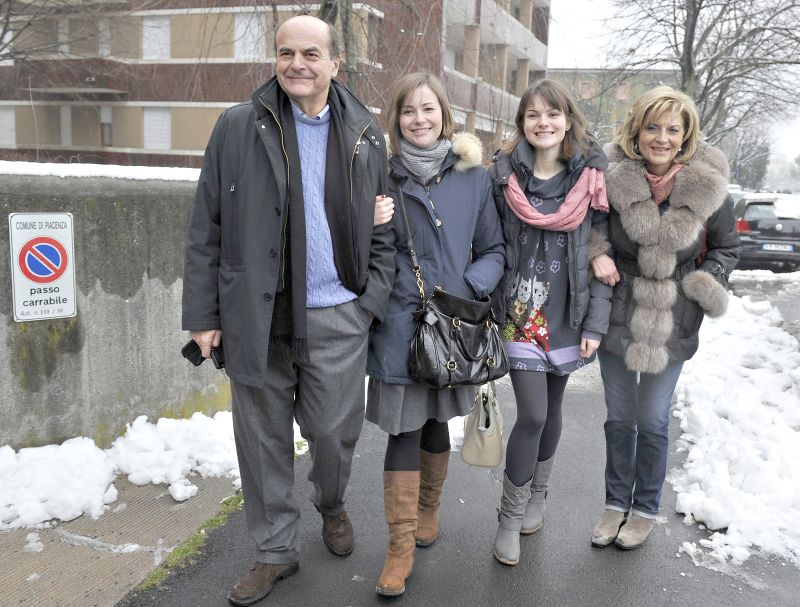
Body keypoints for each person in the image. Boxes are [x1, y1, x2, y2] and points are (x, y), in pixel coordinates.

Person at [181, 15, 395, 607]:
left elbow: (385, 227)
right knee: (261, 439)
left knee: (332, 434)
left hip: (338, 315)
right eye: (285, 53)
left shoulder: (364, 133)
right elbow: (206, 227)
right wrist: (203, 315)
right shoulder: (236, 127)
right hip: (256, 313)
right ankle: (275, 549)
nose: (296, 64)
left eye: (309, 54)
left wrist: (368, 303)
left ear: (334, 64)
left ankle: (330, 501)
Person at [365, 72, 505, 596]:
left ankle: (429, 510)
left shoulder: (473, 177)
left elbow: (494, 251)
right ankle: (398, 549)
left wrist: (468, 287)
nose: (419, 120)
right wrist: (366, 218)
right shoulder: (380, 176)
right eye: (408, 111)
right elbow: (355, 248)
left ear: (445, 115)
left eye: (429, 110)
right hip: (398, 324)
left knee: (434, 423)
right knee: (402, 429)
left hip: (453, 322)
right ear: (395, 120)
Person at [589, 86, 741, 550]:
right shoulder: (611, 178)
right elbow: (590, 228)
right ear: (637, 129)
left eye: (673, 129)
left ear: (686, 135)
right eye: (653, 126)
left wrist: (704, 283)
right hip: (620, 309)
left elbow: (728, 248)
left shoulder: (709, 188)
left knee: (652, 419)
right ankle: (616, 503)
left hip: (674, 317)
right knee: (619, 418)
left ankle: (645, 509)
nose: (662, 137)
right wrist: (598, 254)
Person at [488, 79, 613, 566]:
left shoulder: (591, 182)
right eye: (533, 115)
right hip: (520, 315)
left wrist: (595, 326)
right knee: (533, 414)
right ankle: (508, 517)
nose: (544, 123)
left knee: (553, 411)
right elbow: (487, 242)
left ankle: (539, 496)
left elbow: (604, 258)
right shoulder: (503, 179)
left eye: (553, 114)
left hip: (568, 315)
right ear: (521, 123)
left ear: (568, 120)